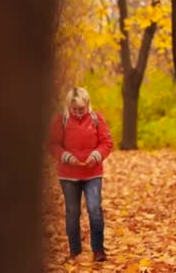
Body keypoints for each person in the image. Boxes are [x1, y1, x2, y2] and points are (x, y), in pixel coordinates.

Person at [48, 87, 114, 262]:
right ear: (69, 106)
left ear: (87, 105)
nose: (78, 113)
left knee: (95, 210)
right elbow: (53, 145)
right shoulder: (61, 120)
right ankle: (75, 251)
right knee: (72, 212)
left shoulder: (96, 119)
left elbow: (107, 142)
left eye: (81, 109)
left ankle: (98, 250)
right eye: (74, 109)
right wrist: (66, 156)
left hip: (92, 173)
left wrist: (96, 155)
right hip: (68, 175)